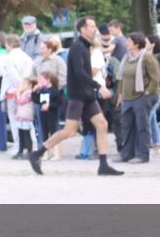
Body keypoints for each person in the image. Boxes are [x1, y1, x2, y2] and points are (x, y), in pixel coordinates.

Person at [30, 16, 123, 176]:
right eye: (92, 26)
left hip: (87, 96)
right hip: (78, 97)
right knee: (69, 131)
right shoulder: (77, 47)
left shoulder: (85, 47)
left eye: (94, 26)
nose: (95, 29)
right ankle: (37, 153)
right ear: (82, 30)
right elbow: (80, 73)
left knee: (102, 124)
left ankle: (103, 165)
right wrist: (99, 86)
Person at [114, 32, 160, 164]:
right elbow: (122, 78)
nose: (126, 43)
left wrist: (147, 93)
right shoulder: (126, 57)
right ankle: (127, 153)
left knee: (142, 126)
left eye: (128, 41)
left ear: (136, 44)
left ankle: (142, 155)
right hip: (127, 97)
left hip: (142, 96)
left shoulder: (147, 57)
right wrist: (121, 95)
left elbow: (155, 77)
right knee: (127, 126)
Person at [1, 34, 35, 150]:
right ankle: (31, 144)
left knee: (15, 119)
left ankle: (18, 145)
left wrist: (19, 89)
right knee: (27, 119)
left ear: (9, 45)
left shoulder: (9, 58)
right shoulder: (27, 57)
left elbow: (11, 76)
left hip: (13, 92)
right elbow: (30, 74)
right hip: (27, 92)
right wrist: (25, 88)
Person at [146, 35, 160, 156]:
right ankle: (156, 144)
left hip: (157, 91)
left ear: (152, 44)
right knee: (152, 117)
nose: (144, 43)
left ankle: (146, 143)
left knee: (147, 116)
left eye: (146, 41)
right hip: (151, 90)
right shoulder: (147, 55)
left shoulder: (158, 57)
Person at [35, 71, 63, 160]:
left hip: (52, 115)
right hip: (43, 115)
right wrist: (34, 91)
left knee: (54, 133)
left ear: (48, 80)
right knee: (44, 134)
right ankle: (45, 153)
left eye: (41, 80)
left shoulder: (54, 91)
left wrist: (50, 105)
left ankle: (57, 153)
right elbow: (35, 100)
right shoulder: (42, 91)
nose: (39, 82)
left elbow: (60, 102)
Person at [11, 76, 36, 160]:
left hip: (26, 116)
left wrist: (17, 93)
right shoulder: (23, 93)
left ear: (29, 85)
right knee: (21, 134)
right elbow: (16, 101)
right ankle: (20, 151)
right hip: (20, 116)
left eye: (23, 84)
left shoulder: (29, 93)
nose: (21, 86)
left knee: (26, 135)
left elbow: (21, 101)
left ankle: (29, 152)